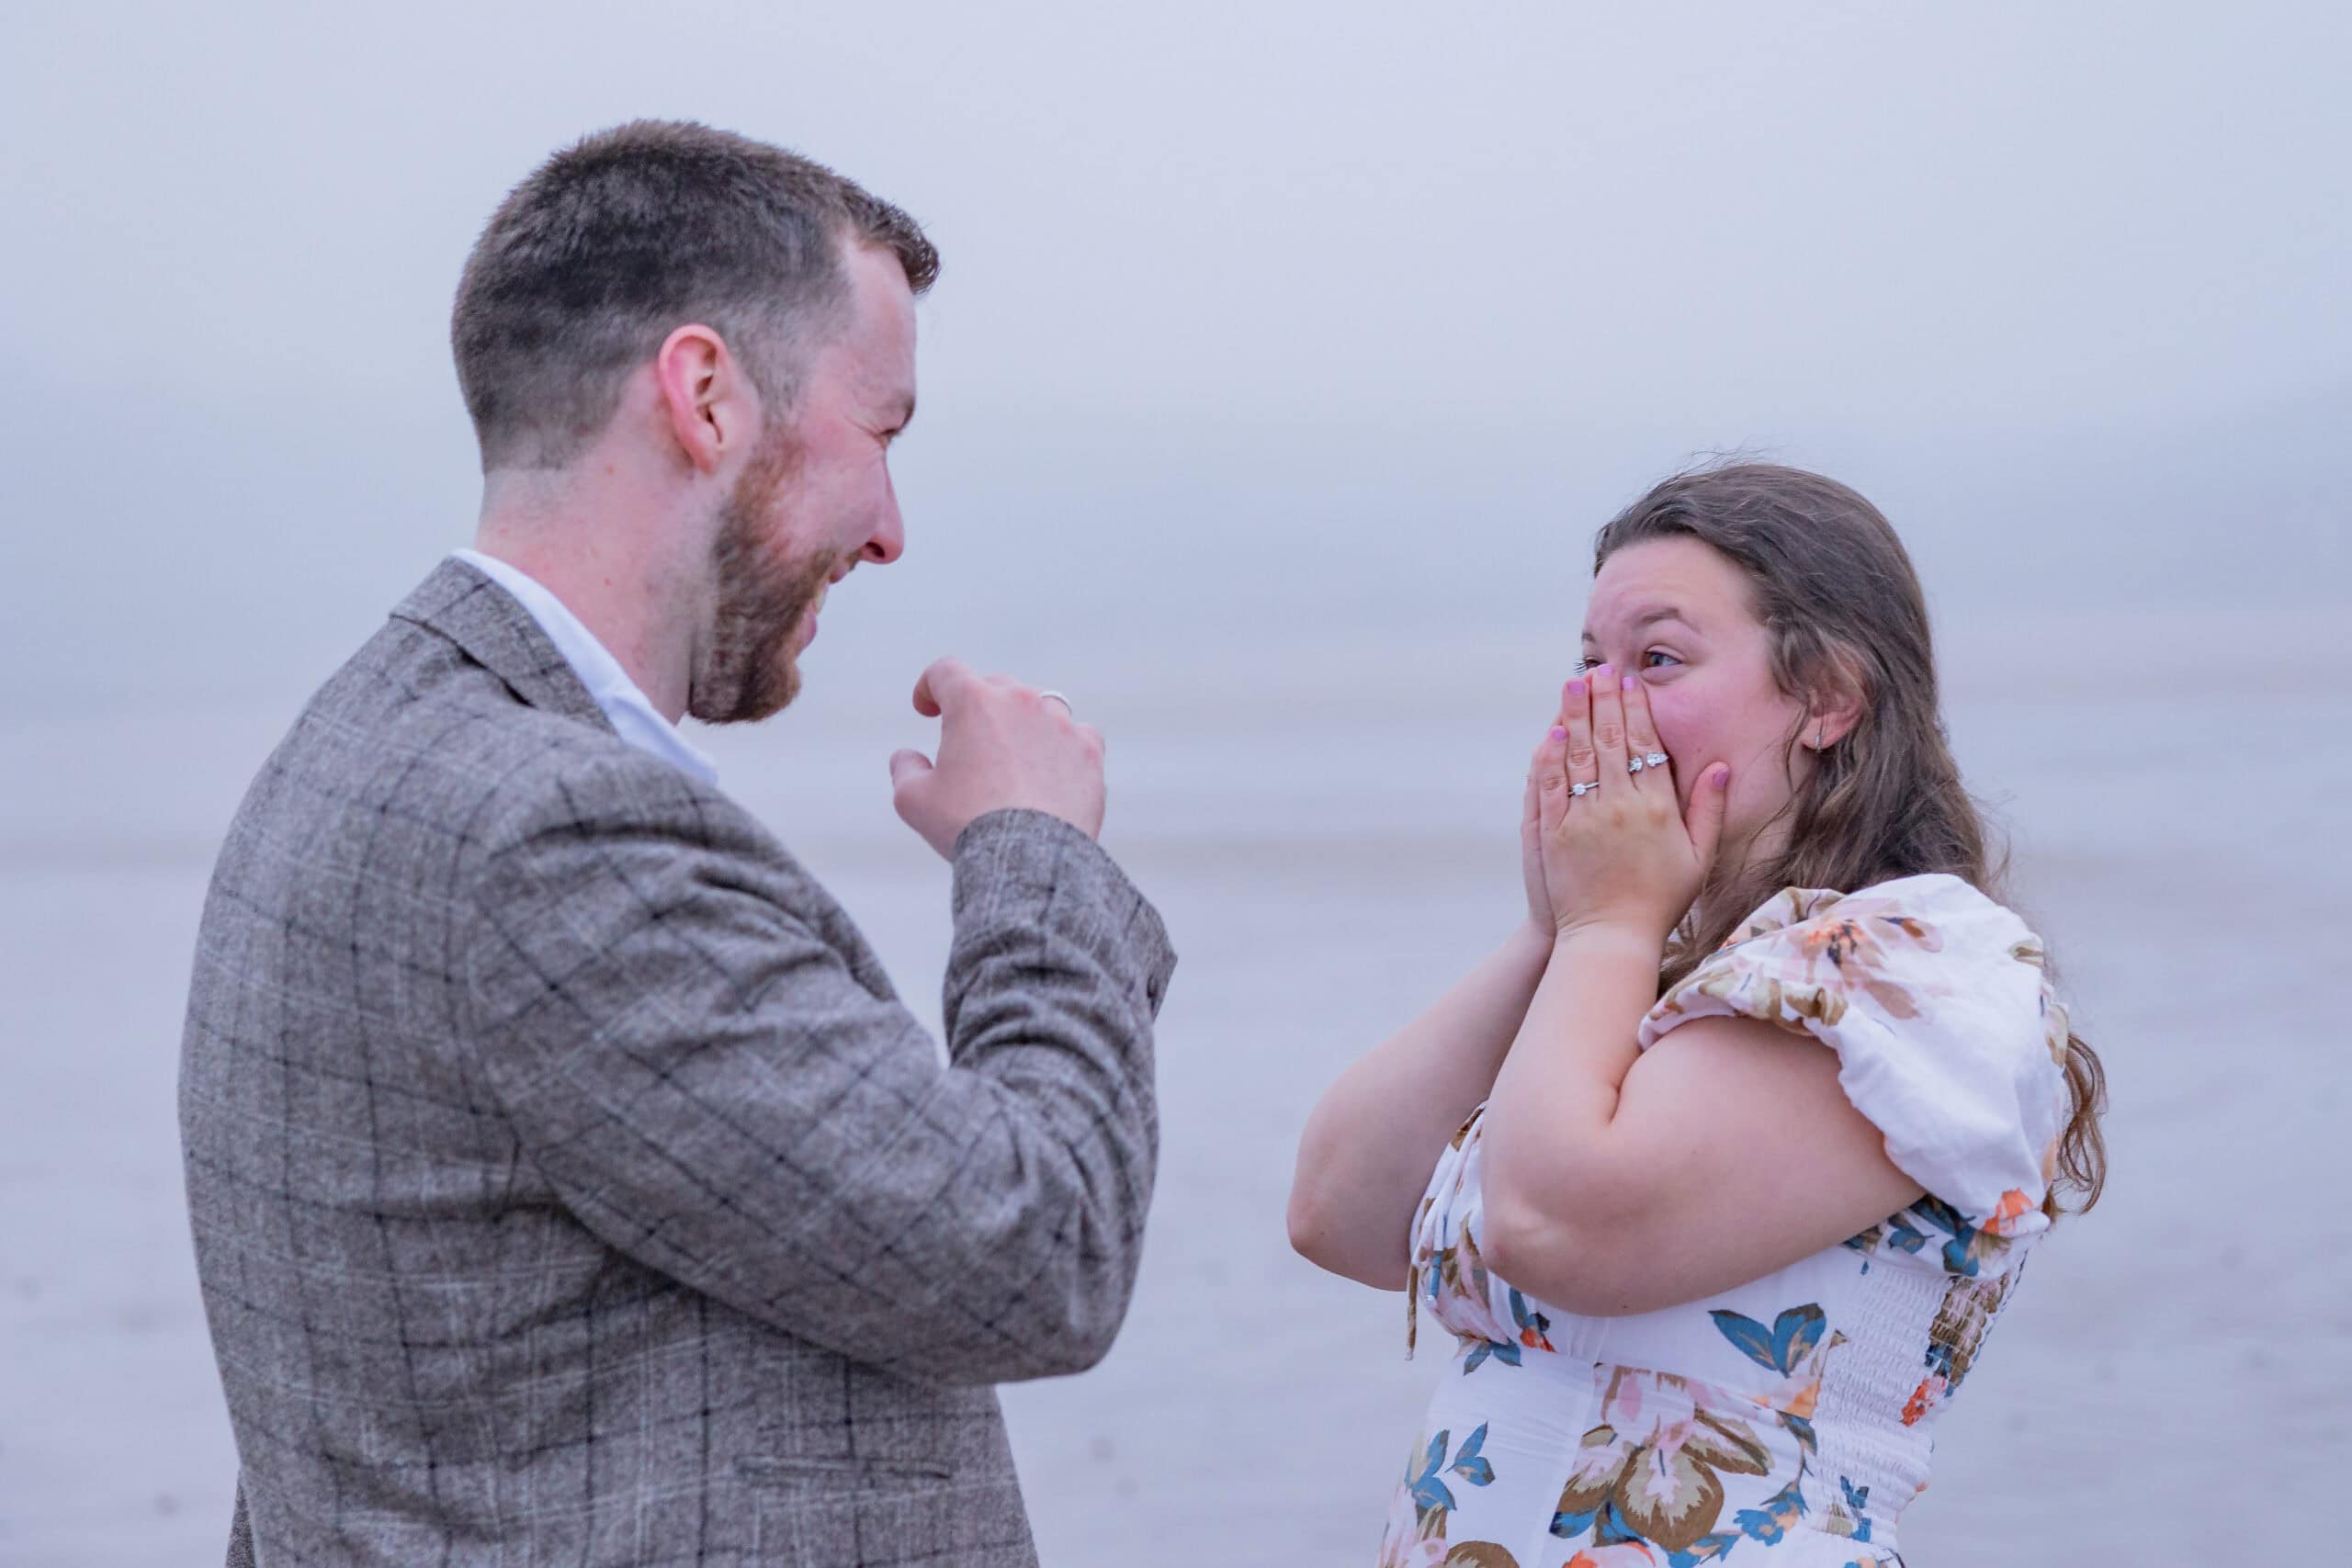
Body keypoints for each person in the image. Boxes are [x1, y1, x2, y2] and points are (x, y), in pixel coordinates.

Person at [179, 120, 1175, 1567]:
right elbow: (1040, 1251)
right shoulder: (555, 835)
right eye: (882, 430)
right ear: (705, 394)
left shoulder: (342, 754)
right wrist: (1032, 853)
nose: (893, 528)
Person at [1289, 464, 2106, 1566]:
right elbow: (1338, 1212)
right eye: (1588, 665)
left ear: (1826, 697)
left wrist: (1606, 930)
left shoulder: (1917, 968)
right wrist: (1554, 934)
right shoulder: (1653, 970)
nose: (1596, 708)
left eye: (1656, 660)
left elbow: (1557, 1225)